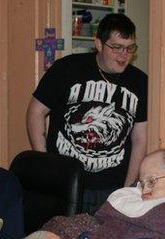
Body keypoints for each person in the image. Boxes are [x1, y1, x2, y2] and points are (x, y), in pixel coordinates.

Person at [26, 13, 148, 215]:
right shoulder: (67, 68)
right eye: (116, 47)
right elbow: (36, 111)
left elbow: (140, 137)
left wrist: (128, 188)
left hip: (111, 186)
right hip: (64, 180)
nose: (124, 55)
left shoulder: (140, 82)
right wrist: (44, 164)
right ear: (99, 44)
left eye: (129, 48)